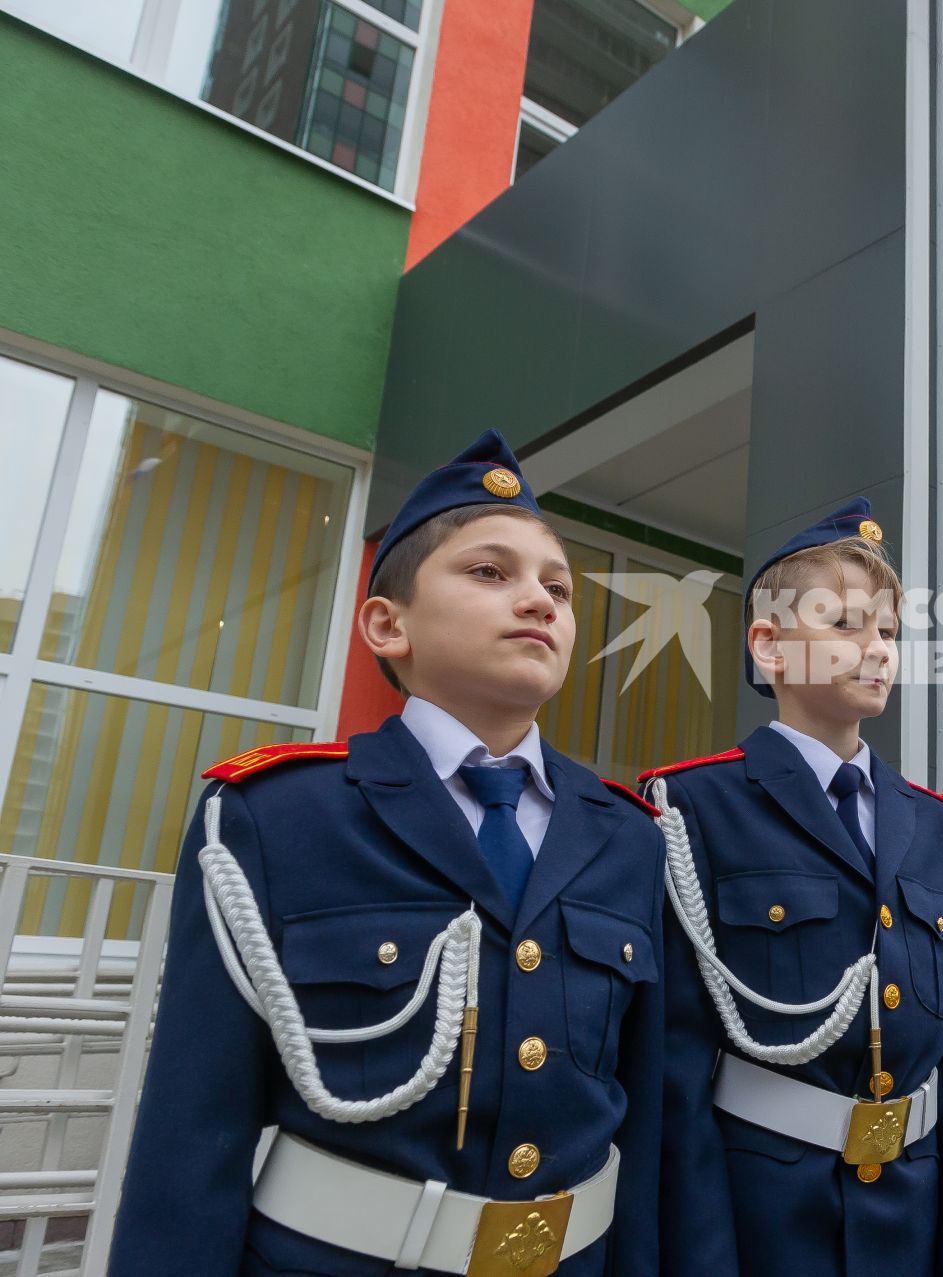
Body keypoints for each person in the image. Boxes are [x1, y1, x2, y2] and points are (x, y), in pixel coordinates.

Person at [110, 430, 668, 1276]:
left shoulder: (628, 833)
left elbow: (644, 1118)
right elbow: (193, 1129)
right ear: (387, 622)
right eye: (490, 571)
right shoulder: (278, 816)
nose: (540, 599)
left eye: (557, 585)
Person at [641, 498, 943, 1276]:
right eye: (845, 624)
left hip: (916, 1210)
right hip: (765, 1215)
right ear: (770, 644)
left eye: (888, 632)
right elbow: (673, 1071)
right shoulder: (693, 808)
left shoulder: (938, 827)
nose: (876, 649)